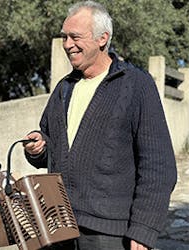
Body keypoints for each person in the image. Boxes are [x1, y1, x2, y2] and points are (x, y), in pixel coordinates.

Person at [23, 1, 177, 250]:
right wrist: (39, 148)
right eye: (64, 37)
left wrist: (144, 228)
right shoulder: (64, 88)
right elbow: (53, 147)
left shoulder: (137, 85)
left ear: (102, 39)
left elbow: (158, 166)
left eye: (75, 37)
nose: (67, 44)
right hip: (59, 226)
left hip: (109, 234)